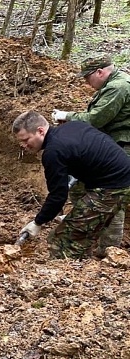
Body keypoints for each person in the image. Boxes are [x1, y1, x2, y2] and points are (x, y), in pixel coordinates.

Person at [12, 111, 130, 260]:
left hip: (114, 185)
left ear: (40, 131)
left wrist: (38, 222)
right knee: (76, 227)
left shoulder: (53, 152)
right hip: (118, 175)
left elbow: (58, 196)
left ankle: (69, 266)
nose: (23, 145)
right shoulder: (71, 127)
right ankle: (85, 254)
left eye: (26, 139)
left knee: (62, 242)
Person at [49, 56, 130, 256]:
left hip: (122, 146)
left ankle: (109, 250)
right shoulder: (114, 84)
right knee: (79, 189)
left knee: (114, 196)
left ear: (100, 72)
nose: (86, 83)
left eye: (87, 78)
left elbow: (95, 119)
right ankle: (85, 228)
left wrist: (67, 116)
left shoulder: (118, 87)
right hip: (111, 143)